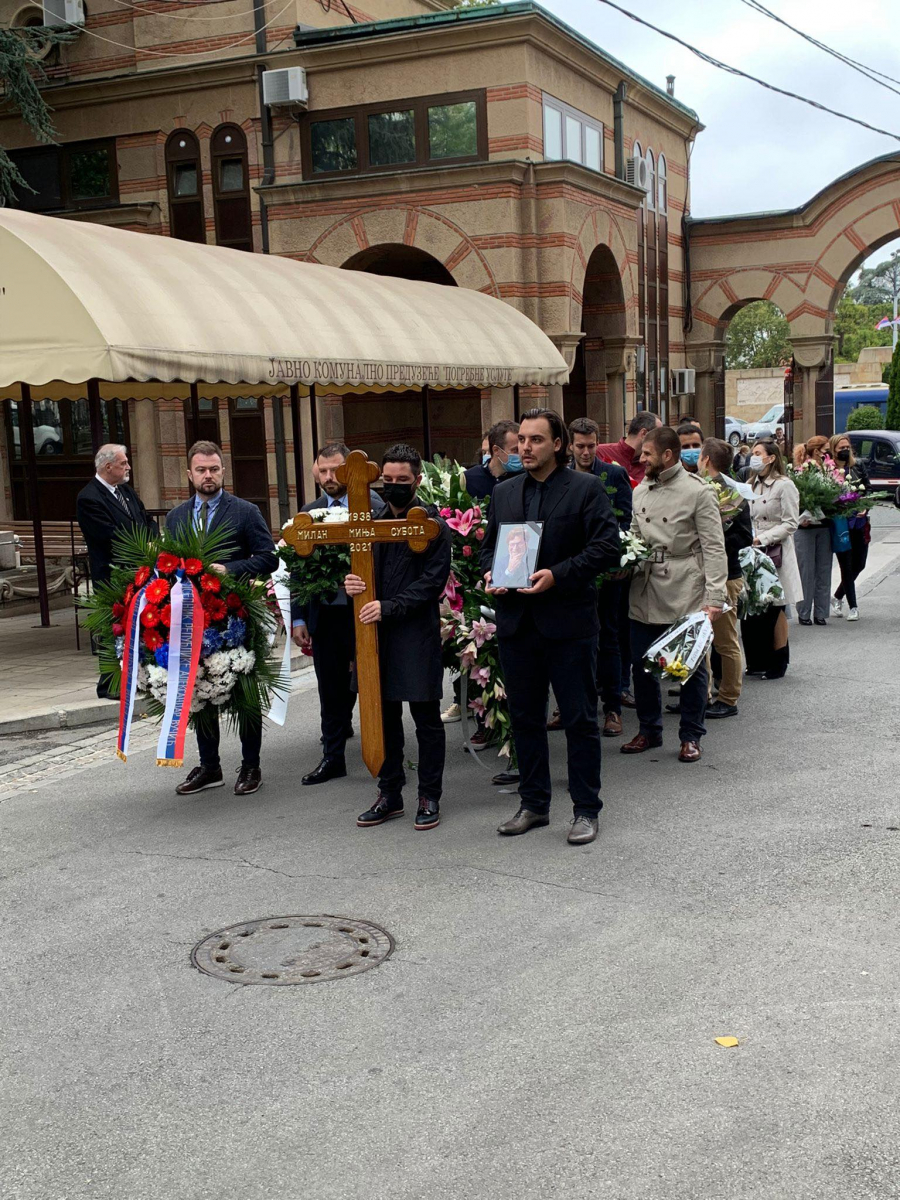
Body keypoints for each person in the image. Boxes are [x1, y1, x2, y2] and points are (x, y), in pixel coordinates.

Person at [481, 408, 620, 846]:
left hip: (569, 623)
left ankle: (586, 810)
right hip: (517, 624)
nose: (525, 447)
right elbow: (489, 549)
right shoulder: (504, 492)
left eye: (536, 440)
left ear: (557, 445)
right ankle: (534, 804)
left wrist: (557, 575)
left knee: (579, 719)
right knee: (525, 718)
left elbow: (607, 548)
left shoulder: (585, 488)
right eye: (521, 439)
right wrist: (490, 574)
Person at [345, 444, 452, 832]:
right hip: (374, 635)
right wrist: (352, 583)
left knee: (426, 720)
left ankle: (429, 795)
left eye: (401, 480)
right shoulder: (368, 522)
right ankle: (389, 793)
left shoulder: (432, 526)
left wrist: (389, 606)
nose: (392, 486)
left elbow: (432, 583)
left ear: (417, 480)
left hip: (415, 633)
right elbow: (362, 569)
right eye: (387, 480)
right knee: (382, 717)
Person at [168, 441, 278, 796]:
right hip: (193, 618)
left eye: (214, 469)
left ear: (223, 471)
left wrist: (229, 569)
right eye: (201, 470)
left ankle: (251, 765)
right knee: (201, 691)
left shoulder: (245, 512)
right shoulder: (176, 517)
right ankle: (209, 766)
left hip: (237, 615)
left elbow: (268, 558)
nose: (208, 475)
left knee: (245, 692)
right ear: (189, 474)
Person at [622, 425, 728, 763]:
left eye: (647, 453)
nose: (641, 458)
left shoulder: (698, 491)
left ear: (667, 455)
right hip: (645, 585)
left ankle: (691, 735)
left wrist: (714, 598)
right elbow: (635, 534)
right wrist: (623, 559)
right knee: (641, 665)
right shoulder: (640, 491)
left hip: (685, 585)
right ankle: (649, 730)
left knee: (688, 667)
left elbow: (714, 547)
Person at [292, 443, 387, 786]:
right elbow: (298, 570)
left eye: (337, 470)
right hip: (327, 616)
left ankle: (385, 758)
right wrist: (299, 618)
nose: (330, 477)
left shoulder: (377, 509)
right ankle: (333, 757)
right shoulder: (310, 513)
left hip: (367, 612)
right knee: (330, 689)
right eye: (324, 470)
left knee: (374, 686)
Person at [553, 416, 632, 737]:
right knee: (568, 643)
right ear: (570, 446)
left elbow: (626, 523)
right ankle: (567, 707)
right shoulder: (560, 476)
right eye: (580, 446)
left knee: (608, 639)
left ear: (598, 443)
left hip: (607, 574)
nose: (586, 452)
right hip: (570, 573)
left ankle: (612, 708)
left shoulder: (614, 474)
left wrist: (620, 558)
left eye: (591, 446)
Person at [76, 443, 157, 699]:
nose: (128, 467)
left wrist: (152, 541)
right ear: (108, 466)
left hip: (138, 571)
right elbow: (109, 535)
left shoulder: (126, 491)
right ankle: (110, 684)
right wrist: (142, 545)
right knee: (113, 627)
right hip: (111, 574)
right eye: (123, 463)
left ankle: (137, 677)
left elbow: (146, 520)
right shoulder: (89, 497)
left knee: (138, 625)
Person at [698, 437, 754, 718]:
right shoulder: (699, 487)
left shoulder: (733, 493)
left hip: (726, 575)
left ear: (706, 459)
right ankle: (702, 694)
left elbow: (745, 537)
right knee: (701, 640)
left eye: (699, 455)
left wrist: (714, 539)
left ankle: (729, 697)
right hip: (700, 575)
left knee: (725, 640)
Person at [743, 439, 801, 678]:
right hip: (753, 552)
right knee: (754, 606)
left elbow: (791, 523)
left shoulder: (784, 485)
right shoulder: (749, 485)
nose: (754, 457)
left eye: (758, 453)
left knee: (776, 606)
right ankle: (757, 660)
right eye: (752, 453)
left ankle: (779, 660)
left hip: (775, 550)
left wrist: (763, 538)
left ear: (771, 457)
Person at [830, 432, 871, 622]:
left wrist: (864, 505)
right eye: (841, 448)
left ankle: (837, 595)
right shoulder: (829, 470)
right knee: (846, 565)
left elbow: (868, 488)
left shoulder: (857, 465)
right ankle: (853, 606)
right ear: (834, 450)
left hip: (859, 522)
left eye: (847, 447)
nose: (845, 450)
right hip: (841, 523)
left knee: (859, 564)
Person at [793, 435, 832, 626]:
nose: (828, 454)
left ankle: (821, 612)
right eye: (826, 450)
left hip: (824, 525)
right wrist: (804, 515)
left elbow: (832, 495)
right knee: (806, 571)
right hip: (804, 527)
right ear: (816, 451)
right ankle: (804, 612)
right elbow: (795, 499)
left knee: (824, 570)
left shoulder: (829, 471)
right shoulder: (801, 472)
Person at [597, 410, 662, 485]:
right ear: (644, 433)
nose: (661, 441)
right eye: (659, 436)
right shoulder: (599, 452)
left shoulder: (652, 464)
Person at [464, 419, 521, 501]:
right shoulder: (470, 478)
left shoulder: (526, 479)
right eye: (515, 450)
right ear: (496, 450)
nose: (521, 454)